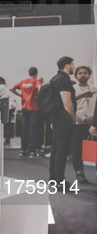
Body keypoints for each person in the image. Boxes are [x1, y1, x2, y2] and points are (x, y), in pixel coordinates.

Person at [48, 57, 76, 190]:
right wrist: (72, 118)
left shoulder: (54, 78)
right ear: (67, 66)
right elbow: (66, 102)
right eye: (72, 65)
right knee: (62, 149)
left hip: (56, 118)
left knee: (56, 148)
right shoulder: (64, 80)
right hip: (63, 119)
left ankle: (53, 178)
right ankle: (60, 180)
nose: (73, 67)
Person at [71, 66, 96, 184]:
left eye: (85, 73)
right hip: (78, 123)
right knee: (77, 149)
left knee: (94, 149)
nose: (83, 75)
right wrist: (83, 118)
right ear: (75, 76)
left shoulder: (94, 89)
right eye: (80, 73)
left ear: (89, 75)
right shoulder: (72, 89)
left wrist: (92, 119)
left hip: (93, 124)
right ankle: (79, 172)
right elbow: (71, 107)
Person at [10, 67, 42, 157]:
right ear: (36, 74)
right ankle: (32, 151)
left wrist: (21, 95)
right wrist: (38, 97)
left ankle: (23, 150)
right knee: (33, 130)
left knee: (24, 129)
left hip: (25, 108)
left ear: (29, 73)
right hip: (34, 108)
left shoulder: (23, 82)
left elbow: (11, 89)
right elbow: (40, 89)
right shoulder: (36, 81)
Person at [0, 76, 14, 146]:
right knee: (7, 124)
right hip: (9, 106)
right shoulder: (3, 87)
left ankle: (7, 140)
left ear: (1, 81)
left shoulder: (0, 87)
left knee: (6, 124)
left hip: (7, 106)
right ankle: (7, 140)